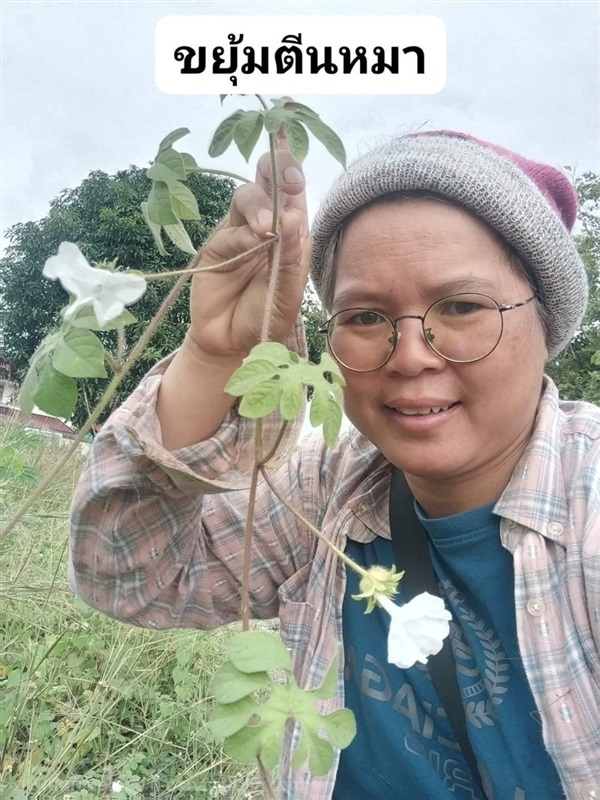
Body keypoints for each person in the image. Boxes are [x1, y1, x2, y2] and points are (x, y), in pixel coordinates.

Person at [68, 129, 599, 800]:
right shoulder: (327, 498)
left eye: (462, 307)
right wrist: (211, 356)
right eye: (365, 315)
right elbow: (129, 575)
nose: (408, 356)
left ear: (547, 326)